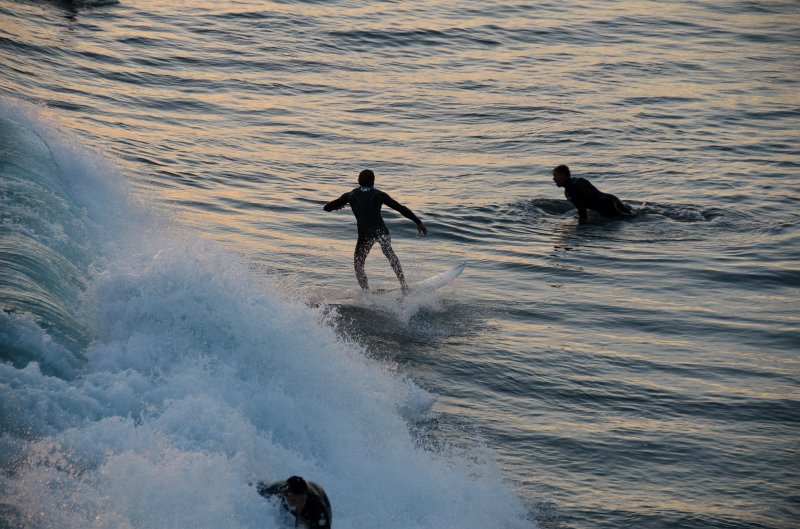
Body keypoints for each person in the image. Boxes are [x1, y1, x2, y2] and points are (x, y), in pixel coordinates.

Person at [323, 169, 427, 292]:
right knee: (390, 255)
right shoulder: (379, 195)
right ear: (373, 181)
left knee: (358, 265)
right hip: (381, 231)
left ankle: (366, 292)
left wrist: (338, 206)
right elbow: (400, 208)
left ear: (358, 181)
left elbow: (327, 208)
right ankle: (404, 285)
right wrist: (418, 221)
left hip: (365, 235)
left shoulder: (350, 196)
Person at [552, 165, 632, 222]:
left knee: (627, 221)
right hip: (612, 198)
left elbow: (582, 211)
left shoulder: (570, 190)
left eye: (555, 176)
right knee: (631, 217)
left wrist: (581, 229)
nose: (553, 179)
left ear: (562, 175)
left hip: (605, 206)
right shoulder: (579, 179)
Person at [257, 475, 332, 528]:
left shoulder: (317, 506)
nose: (298, 506)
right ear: (285, 495)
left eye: (302, 501)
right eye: (293, 501)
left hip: (319, 496)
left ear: (306, 496)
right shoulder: (276, 492)